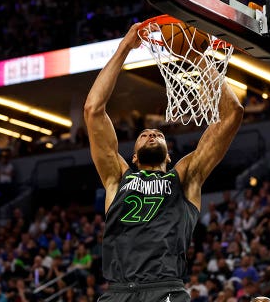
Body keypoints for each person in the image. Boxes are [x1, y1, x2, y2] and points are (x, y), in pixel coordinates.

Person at [83, 23, 244, 302]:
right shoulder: (117, 178)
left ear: (169, 156)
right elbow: (93, 110)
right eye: (144, 134)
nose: (152, 133)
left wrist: (197, 57)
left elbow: (232, 115)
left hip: (165, 289)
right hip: (118, 291)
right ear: (133, 157)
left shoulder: (184, 178)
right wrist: (124, 47)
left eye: (158, 133)